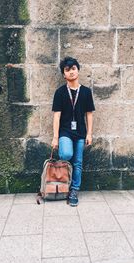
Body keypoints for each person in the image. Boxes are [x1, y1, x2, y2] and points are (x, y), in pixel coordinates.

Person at [51, 57, 95, 207]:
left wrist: (89, 133)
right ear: (64, 74)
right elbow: (56, 115)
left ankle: (74, 190)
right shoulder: (60, 92)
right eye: (67, 70)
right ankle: (65, 182)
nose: (71, 72)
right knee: (66, 155)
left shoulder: (86, 92)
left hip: (81, 133)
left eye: (73, 68)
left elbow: (89, 114)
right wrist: (55, 138)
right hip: (65, 132)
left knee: (78, 163)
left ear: (78, 70)